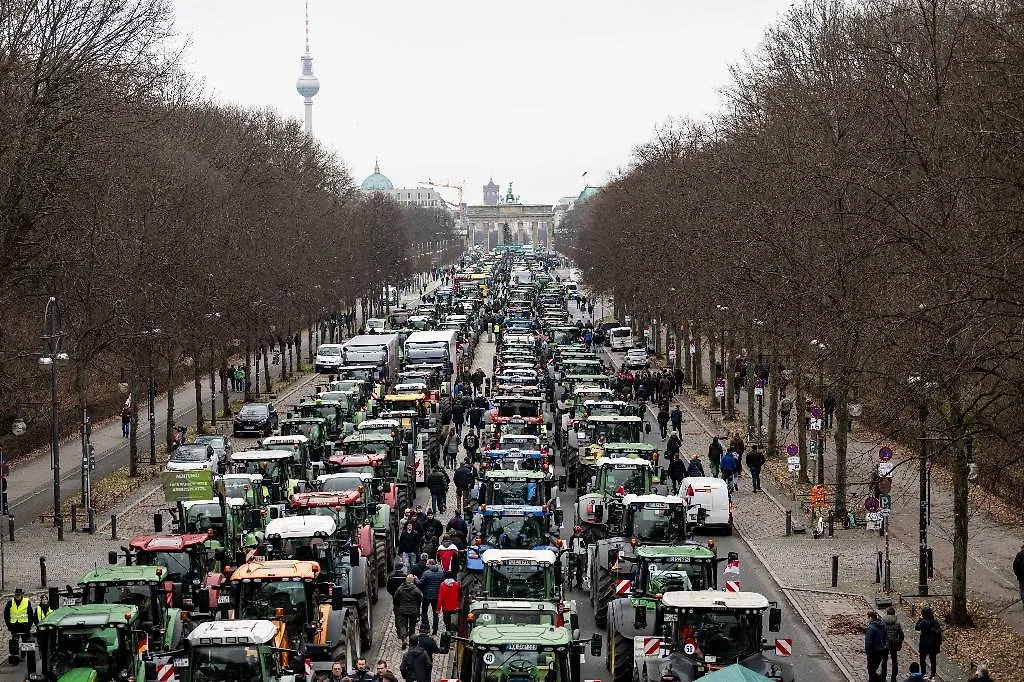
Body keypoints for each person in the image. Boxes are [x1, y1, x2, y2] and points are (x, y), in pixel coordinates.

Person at [392, 575, 422, 648]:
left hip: (403, 610)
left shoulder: (400, 588)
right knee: (412, 626)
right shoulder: (416, 589)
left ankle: (404, 639)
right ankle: (412, 642)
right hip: (413, 611)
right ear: (412, 581)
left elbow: (395, 597)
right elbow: (420, 598)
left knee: (403, 626)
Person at [5, 588, 32, 664]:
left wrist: (28, 626)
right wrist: (9, 625)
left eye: (19, 595)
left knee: (25, 642)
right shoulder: (10, 603)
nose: (18, 596)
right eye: (16, 595)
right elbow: (6, 615)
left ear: (22, 595)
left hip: (24, 625)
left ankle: (24, 656)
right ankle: (15, 657)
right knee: (14, 642)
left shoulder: (26, 602)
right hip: (14, 626)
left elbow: (30, 614)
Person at [914, 606, 942, 680]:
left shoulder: (923, 622)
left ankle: (923, 674)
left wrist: (919, 619)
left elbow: (916, 627)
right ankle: (933, 674)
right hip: (934, 644)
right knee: (933, 660)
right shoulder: (935, 621)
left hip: (924, 643)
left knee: (922, 659)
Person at [417, 559, 444, 634]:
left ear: (430, 564)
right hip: (436, 596)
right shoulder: (441, 573)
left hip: (427, 596)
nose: (426, 565)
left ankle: (426, 626)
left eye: (427, 564)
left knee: (424, 611)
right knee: (436, 613)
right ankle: (435, 629)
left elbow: (420, 583)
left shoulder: (426, 573)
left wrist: (416, 579)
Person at [880, 606, 905, 682]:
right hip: (894, 644)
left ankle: (883, 675)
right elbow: (901, 635)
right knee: (894, 660)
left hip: (885, 643)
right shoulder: (897, 623)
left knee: (884, 660)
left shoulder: (882, 622)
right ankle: (893, 677)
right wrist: (899, 642)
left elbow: (880, 633)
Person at [865, 611, 887, 682]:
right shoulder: (882, 625)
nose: (867, 619)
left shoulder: (871, 628)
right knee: (873, 669)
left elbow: (869, 642)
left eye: (868, 618)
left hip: (873, 652)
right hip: (881, 651)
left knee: (871, 670)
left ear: (871, 618)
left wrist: (868, 652)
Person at [1013, 543, 1024, 610]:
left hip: (1022, 577)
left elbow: (1015, 566)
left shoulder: (1020, 555)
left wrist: (1018, 575)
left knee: (1022, 589)